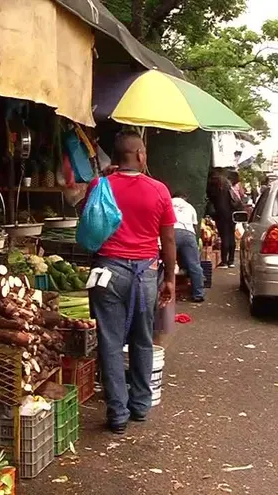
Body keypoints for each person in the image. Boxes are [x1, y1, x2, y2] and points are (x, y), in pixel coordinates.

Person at [84, 130, 176, 435]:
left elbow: (91, 222)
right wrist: (171, 279)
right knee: (142, 339)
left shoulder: (100, 185)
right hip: (146, 273)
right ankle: (140, 406)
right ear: (139, 155)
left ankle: (118, 415)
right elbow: (169, 238)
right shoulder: (160, 190)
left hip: (107, 271)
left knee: (109, 344)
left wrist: (107, 178)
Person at [171, 188, 205, 302]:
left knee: (167, 263)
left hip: (171, 232)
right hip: (188, 233)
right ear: (184, 198)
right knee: (194, 265)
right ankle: (198, 294)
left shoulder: (168, 203)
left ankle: (163, 293)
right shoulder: (190, 207)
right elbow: (195, 227)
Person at [207, 172, 240, 268]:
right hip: (231, 213)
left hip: (221, 214)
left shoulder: (214, 186)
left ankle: (224, 261)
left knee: (224, 236)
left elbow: (210, 199)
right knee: (231, 236)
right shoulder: (228, 185)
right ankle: (231, 261)